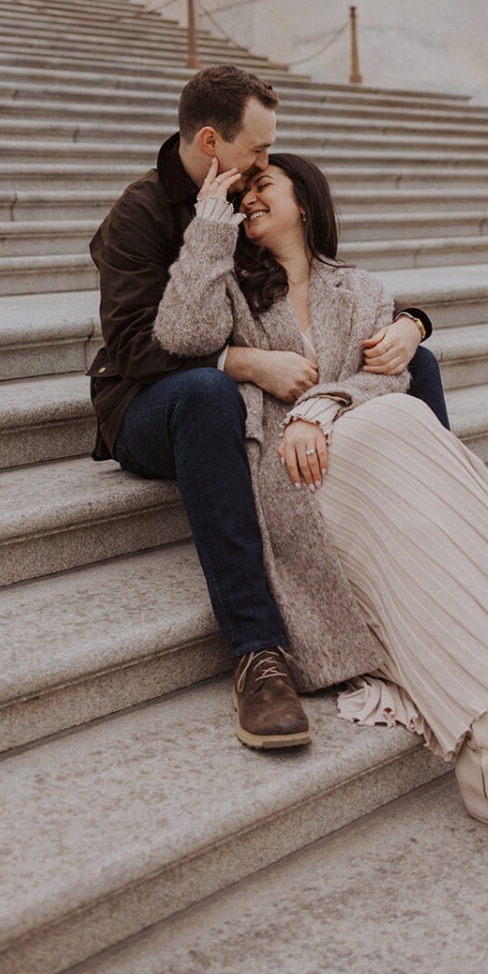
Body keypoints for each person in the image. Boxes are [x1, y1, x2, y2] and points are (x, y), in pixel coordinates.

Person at [152, 152, 488, 866]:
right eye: (239, 195)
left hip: (364, 464)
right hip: (292, 479)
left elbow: (387, 380)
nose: (247, 199)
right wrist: (210, 220)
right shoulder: (233, 294)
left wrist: (319, 406)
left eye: (260, 186)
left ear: (304, 201)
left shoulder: (364, 290)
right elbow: (180, 338)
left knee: (409, 470)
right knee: (406, 431)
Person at [89, 65, 448, 752]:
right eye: (256, 150)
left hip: (253, 394)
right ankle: (259, 653)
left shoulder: (252, 203)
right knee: (208, 392)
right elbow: (135, 344)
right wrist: (244, 361)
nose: (265, 163)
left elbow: (328, 291)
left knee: (416, 366)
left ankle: (460, 567)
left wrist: (412, 323)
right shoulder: (140, 215)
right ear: (209, 141)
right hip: (147, 405)